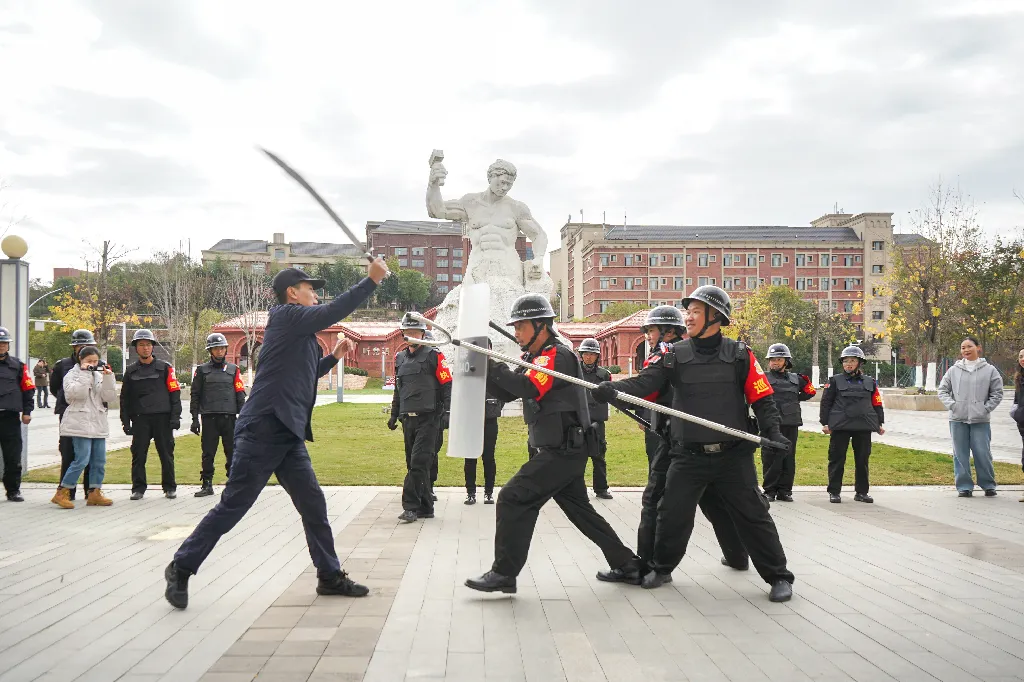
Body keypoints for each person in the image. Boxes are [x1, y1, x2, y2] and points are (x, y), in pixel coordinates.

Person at [165, 260, 389, 609]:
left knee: (313, 504)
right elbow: (334, 310)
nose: (315, 294)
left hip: (287, 434)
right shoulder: (285, 316)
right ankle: (181, 566)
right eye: (309, 288)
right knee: (234, 506)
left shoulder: (304, 337)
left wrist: (332, 357)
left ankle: (329, 576)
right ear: (292, 293)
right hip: (263, 428)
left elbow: (305, 374)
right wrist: (371, 281)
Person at [592, 286, 795, 602]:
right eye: (688, 311)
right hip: (688, 455)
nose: (688, 317)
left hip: (732, 458)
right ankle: (661, 568)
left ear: (716, 317)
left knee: (754, 516)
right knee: (672, 514)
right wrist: (613, 389)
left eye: (696, 312)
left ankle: (779, 577)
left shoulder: (740, 354)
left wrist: (774, 433)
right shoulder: (674, 355)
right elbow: (646, 383)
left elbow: (763, 399)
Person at [464, 294, 643, 594]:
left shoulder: (556, 356)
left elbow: (529, 387)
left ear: (541, 326)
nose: (517, 332)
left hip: (563, 450)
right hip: (561, 449)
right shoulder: (536, 358)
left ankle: (504, 573)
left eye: (521, 326)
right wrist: (482, 366)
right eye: (516, 327)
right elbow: (509, 392)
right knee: (581, 512)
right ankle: (628, 564)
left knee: (512, 498)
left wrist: (491, 364)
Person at [611, 305, 750, 579]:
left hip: (672, 440)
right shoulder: (686, 353)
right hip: (689, 438)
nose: (648, 336)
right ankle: (737, 554)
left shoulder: (668, 355)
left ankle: (649, 565)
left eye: (651, 330)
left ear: (668, 331)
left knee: (655, 500)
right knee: (712, 499)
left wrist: (613, 392)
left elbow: (647, 388)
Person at [389, 315, 452, 522]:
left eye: (416, 332)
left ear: (423, 334)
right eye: (408, 332)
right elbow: (399, 390)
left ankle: (410, 507)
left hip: (429, 418)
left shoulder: (434, 355)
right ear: (403, 334)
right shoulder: (400, 358)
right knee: (414, 464)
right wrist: (393, 414)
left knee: (419, 461)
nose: (412, 336)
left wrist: (448, 413)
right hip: (408, 419)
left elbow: (447, 385)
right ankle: (426, 507)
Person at [937, 336, 1004, 498]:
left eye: (969, 346)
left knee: (983, 452)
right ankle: (964, 487)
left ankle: (988, 485)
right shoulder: (953, 370)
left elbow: (997, 393)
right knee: (960, 454)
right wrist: (954, 406)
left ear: (978, 348)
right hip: (957, 419)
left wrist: (985, 408)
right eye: (962, 347)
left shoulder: (989, 370)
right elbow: (942, 390)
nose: (965, 350)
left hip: (980, 420)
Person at [51, 346, 116, 509]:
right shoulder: (71, 375)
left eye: (95, 361)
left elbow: (109, 397)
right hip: (79, 422)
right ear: (81, 359)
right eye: (89, 361)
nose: (92, 364)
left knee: (99, 460)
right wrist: (85, 374)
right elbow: (75, 395)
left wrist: (108, 379)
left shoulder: (99, 375)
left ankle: (94, 492)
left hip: (98, 422)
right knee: (81, 459)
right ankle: (62, 491)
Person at [819, 345, 885, 503]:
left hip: (863, 426)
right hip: (840, 427)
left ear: (859, 363)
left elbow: (876, 403)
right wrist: (825, 423)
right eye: (846, 361)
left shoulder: (870, 382)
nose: (848, 364)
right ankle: (834, 492)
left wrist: (879, 423)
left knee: (862, 460)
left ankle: (861, 492)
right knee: (836, 459)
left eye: (852, 361)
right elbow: (826, 403)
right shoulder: (834, 381)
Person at [121, 330, 182, 500]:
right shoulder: (131, 372)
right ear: (136, 348)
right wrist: (125, 422)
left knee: (166, 454)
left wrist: (175, 417)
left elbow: (174, 393)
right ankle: (138, 488)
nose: (145, 348)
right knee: (139, 455)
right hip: (140, 419)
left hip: (162, 419)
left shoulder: (165, 368)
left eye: (148, 344)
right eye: (141, 345)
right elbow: (124, 399)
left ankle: (170, 487)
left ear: (153, 347)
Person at [190, 333, 247, 497]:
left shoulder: (233, 370)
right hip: (209, 418)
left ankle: (233, 484)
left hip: (229, 418)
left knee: (232, 452)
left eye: (222, 348)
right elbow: (195, 395)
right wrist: (194, 419)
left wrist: (243, 418)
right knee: (208, 453)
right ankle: (207, 484)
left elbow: (240, 394)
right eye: (216, 348)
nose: (220, 351)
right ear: (210, 351)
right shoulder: (201, 371)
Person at [762, 343, 816, 502]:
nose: (774, 363)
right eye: (772, 360)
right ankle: (769, 490)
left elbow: (811, 391)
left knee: (788, 457)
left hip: (790, 423)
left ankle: (785, 490)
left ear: (786, 361)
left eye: (778, 359)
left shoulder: (797, 378)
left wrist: (795, 399)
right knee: (770, 456)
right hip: (770, 423)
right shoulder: (763, 378)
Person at [51, 329, 97, 500]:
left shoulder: (97, 364)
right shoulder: (62, 365)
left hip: (91, 415)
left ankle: (91, 492)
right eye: (79, 346)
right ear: (74, 347)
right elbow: (56, 389)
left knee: (92, 455)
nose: (83, 349)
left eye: (87, 345)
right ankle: (67, 491)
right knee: (68, 453)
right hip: (69, 414)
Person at [0, 327, 34, 502]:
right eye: (0, 343)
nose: (2, 346)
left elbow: (28, 389)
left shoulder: (18, 366)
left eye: (5, 343)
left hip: (9, 418)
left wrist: (27, 411)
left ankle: (13, 490)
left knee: (13, 457)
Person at [577, 338, 613, 499]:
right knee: (577, 456)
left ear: (597, 356)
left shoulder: (604, 375)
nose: (589, 357)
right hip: (578, 419)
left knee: (599, 455)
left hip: (597, 420)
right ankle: (577, 490)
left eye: (592, 354)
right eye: (586, 354)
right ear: (581, 355)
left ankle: (601, 488)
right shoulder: (575, 372)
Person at [465, 392, 502, 505]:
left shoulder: (493, 378)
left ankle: (489, 493)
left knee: (488, 457)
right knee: (470, 457)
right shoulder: (470, 376)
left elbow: (503, 396)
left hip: (490, 420)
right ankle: (470, 493)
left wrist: (494, 408)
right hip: (471, 420)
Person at [1011, 348, 1024, 503]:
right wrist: (1016, 413)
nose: (1022, 359)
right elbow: (1016, 400)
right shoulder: (1019, 378)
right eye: (1021, 356)